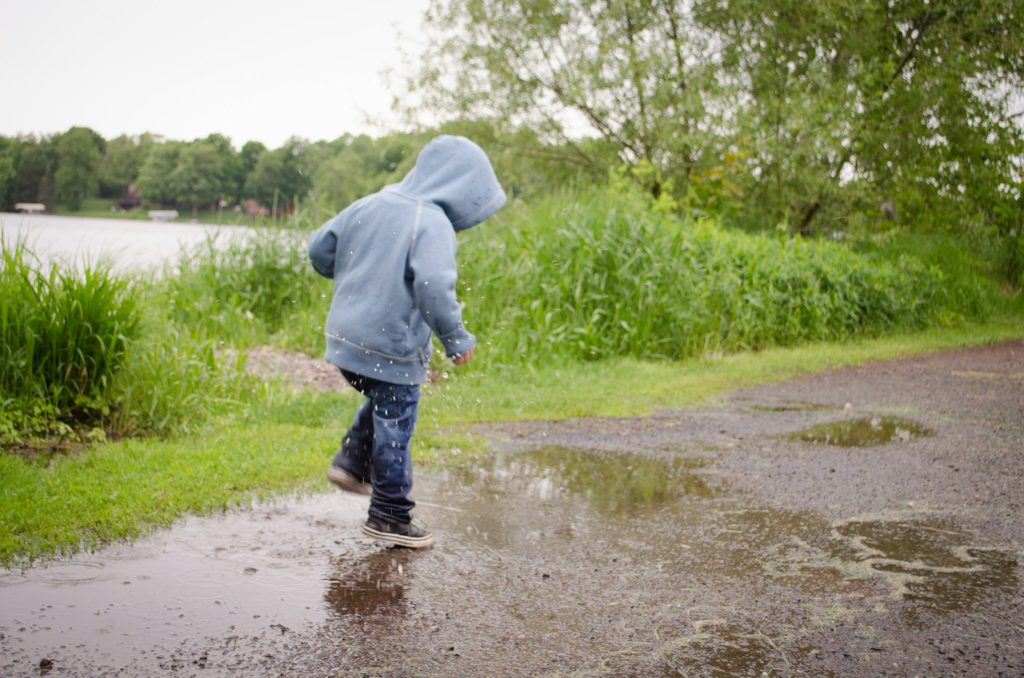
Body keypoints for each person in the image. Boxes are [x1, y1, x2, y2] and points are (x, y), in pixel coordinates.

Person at [307, 135, 506, 548]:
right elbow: (433, 286)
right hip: (391, 345)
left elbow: (319, 249)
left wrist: (354, 274)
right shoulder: (429, 220)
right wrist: (456, 338)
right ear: (459, 186)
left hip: (345, 341)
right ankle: (390, 514)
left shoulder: (370, 203)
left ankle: (352, 461)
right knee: (397, 419)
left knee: (385, 399)